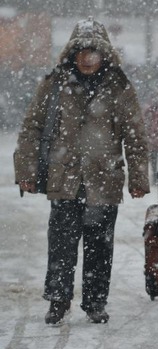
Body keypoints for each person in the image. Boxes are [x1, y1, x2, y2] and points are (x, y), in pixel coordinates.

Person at [14, 17, 149, 325]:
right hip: (65, 178)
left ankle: (95, 301)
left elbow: (136, 135)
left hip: (105, 178)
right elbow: (31, 128)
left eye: (94, 51)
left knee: (100, 246)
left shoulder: (119, 86)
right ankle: (58, 300)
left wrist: (139, 177)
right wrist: (27, 169)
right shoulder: (55, 82)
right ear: (72, 53)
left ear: (105, 54)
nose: (87, 58)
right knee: (60, 243)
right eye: (82, 51)